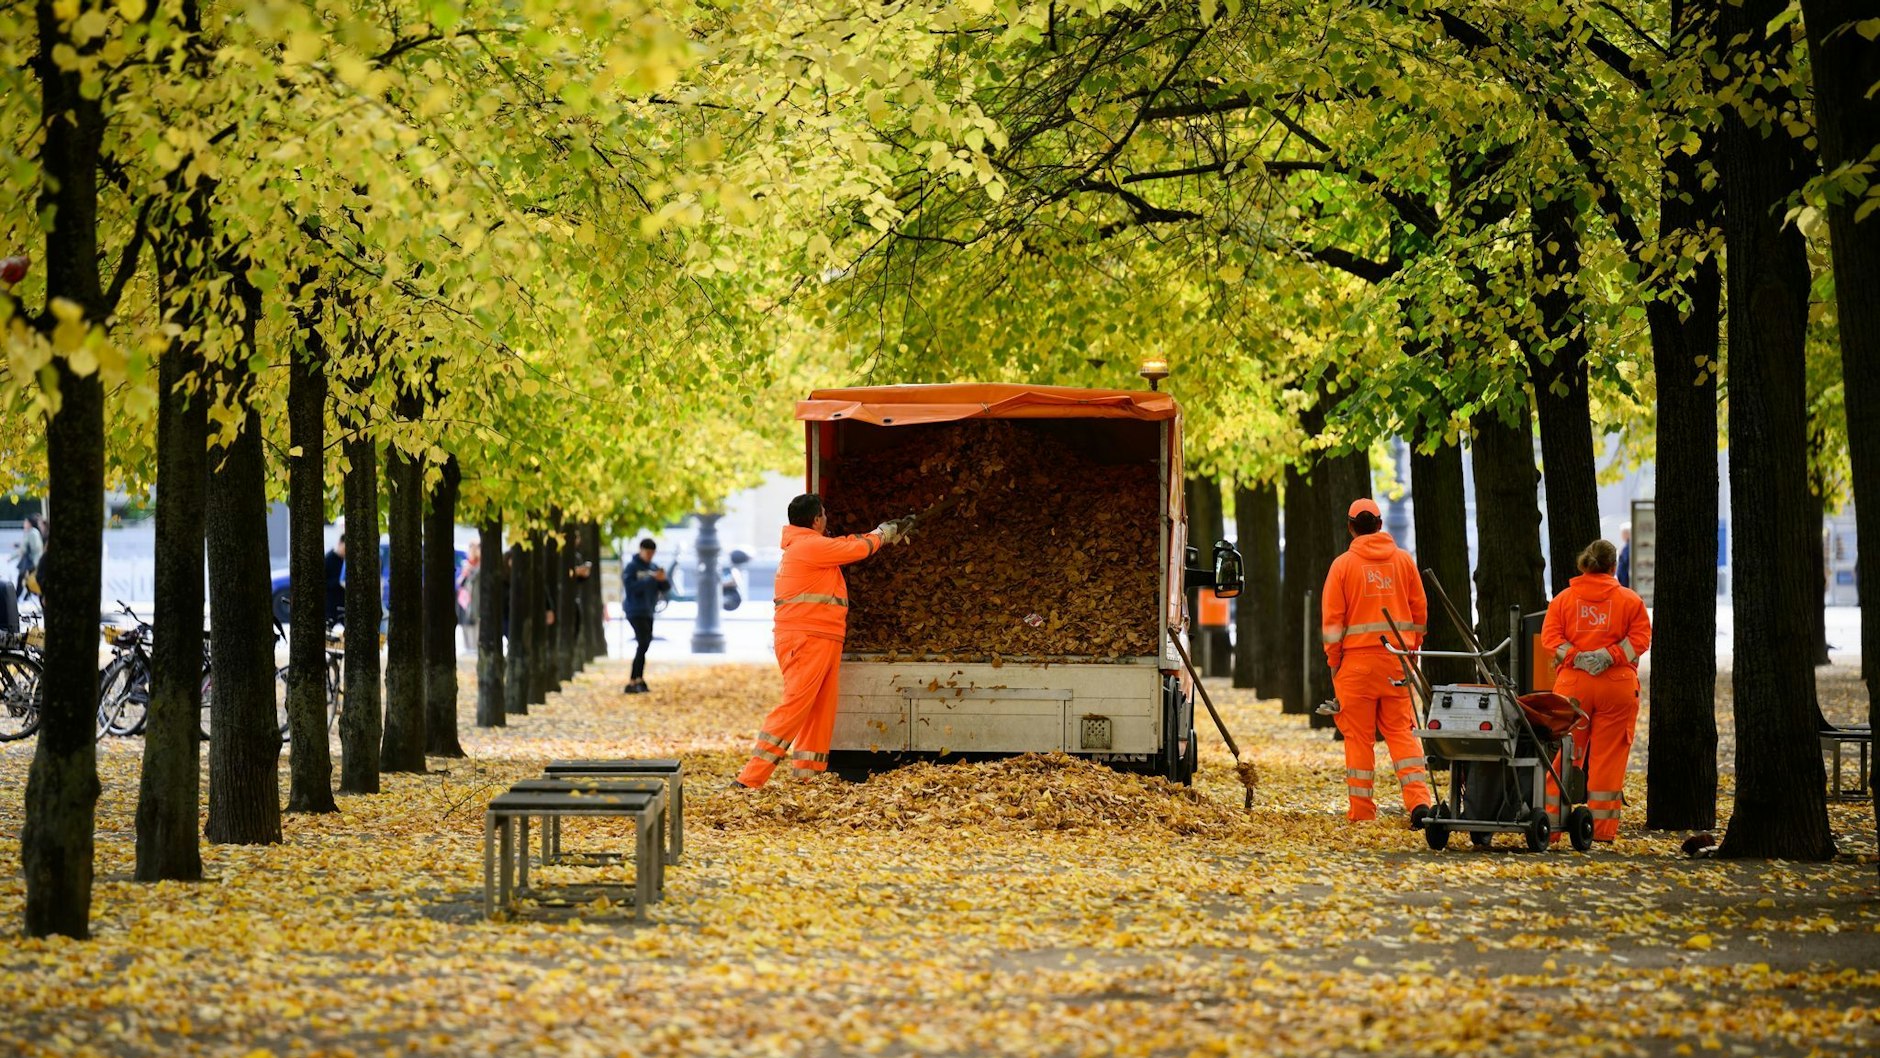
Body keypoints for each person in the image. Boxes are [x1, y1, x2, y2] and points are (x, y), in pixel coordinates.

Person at [732, 496, 910, 788]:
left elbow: (845, 542)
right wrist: (882, 534)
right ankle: (749, 779)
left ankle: (808, 777)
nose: (826, 519)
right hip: (807, 639)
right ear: (816, 519)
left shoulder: (806, 546)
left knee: (820, 709)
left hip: (818, 638)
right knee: (795, 706)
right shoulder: (809, 546)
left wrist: (881, 533)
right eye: (824, 514)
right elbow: (853, 547)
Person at [1321, 497, 1435, 826]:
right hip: (1396, 662)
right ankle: (1419, 803)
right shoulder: (1403, 562)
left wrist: (1334, 661)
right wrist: (1412, 649)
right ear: (1381, 525)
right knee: (1402, 732)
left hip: (1355, 666)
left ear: (1351, 527)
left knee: (1358, 738)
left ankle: (1361, 812)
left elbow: (1332, 621)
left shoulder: (1342, 566)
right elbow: (1419, 612)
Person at [1541, 539, 1651, 843]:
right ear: (1614, 567)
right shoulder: (1630, 601)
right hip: (1616, 686)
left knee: (1565, 755)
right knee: (1608, 759)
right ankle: (1600, 832)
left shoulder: (1563, 600)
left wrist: (1578, 656)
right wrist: (1610, 656)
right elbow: (1640, 638)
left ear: (1583, 564)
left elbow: (1550, 639)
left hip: (1573, 685)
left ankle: (1550, 826)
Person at [620, 538, 668, 694]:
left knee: (645, 644)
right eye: (647, 552)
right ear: (641, 550)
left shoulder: (653, 568)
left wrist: (662, 579)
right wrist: (650, 578)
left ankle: (638, 678)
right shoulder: (632, 567)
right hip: (635, 610)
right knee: (643, 642)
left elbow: (665, 587)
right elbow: (630, 587)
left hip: (648, 610)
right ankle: (633, 680)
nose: (649, 556)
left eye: (652, 553)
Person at [457, 541, 481, 651]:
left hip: (476, 598)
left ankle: (474, 648)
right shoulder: (465, 565)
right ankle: (468, 648)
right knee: (465, 622)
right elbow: (459, 582)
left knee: (475, 622)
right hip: (465, 599)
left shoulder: (480, 566)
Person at [14, 515, 42, 603]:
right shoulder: (30, 532)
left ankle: (17, 597)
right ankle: (24, 596)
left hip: (31, 561)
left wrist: (26, 550)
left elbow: (34, 547)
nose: (24, 523)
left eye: (25, 522)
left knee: (24, 579)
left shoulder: (33, 533)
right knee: (26, 580)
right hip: (31, 561)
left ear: (30, 523)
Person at [324, 535, 347, 627]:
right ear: (340, 544)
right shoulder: (328, 560)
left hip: (344, 603)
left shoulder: (346, 561)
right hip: (330, 604)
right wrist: (338, 582)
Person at [1616, 523, 1632, 588]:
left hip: (1625, 582)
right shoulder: (1628, 546)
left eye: (1622, 533)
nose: (1621, 536)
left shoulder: (1627, 548)